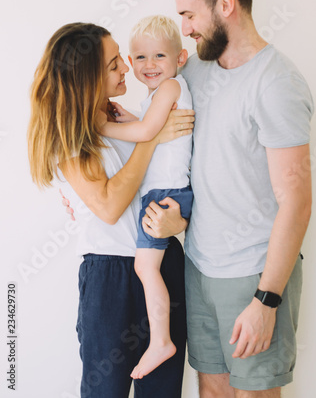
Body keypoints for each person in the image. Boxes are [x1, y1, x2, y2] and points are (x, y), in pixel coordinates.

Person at [167, 0, 314, 398]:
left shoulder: (276, 84)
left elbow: (297, 201)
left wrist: (266, 300)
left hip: (253, 276)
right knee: (211, 392)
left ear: (225, 4)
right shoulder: (196, 71)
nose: (185, 28)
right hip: (199, 268)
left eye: (189, 14)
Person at [27, 22, 194, 398]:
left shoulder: (124, 119)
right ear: (87, 76)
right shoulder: (70, 138)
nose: (125, 67)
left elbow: (167, 185)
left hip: (162, 261)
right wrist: (152, 138)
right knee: (105, 391)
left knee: (163, 391)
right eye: (113, 62)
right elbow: (109, 206)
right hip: (110, 276)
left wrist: (177, 221)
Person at [99, 15, 193, 379]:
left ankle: (160, 342)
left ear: (180, 59)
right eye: (139, 58)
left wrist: (103, 125)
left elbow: (148, 131)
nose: (149, 66)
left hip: (165, 193)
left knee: (145, 267)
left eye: (159, 57)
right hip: (164, 192)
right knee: (147, 267)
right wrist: (128, 116)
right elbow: (146, 124)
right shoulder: (161, 92)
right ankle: (160, 340)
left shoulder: (170, 88)